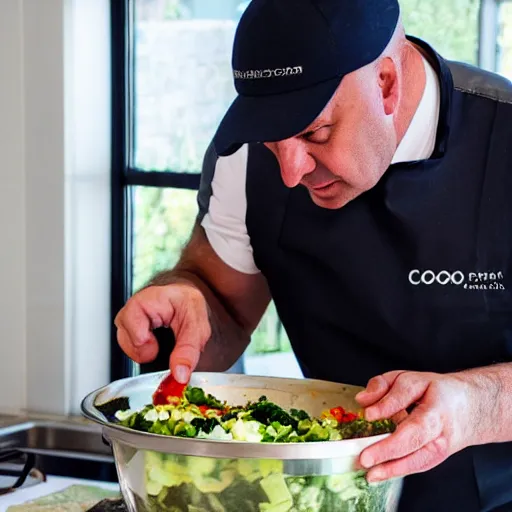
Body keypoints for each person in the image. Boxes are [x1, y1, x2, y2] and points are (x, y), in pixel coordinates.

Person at [114, 0, 512, 510]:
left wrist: (475, 407)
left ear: (386, 83)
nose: (289, 172)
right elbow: (222, 310)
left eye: (314, 133)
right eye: (270, 143)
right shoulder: (243, 157)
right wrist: (184, 301)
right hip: (325, 497)